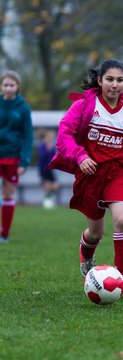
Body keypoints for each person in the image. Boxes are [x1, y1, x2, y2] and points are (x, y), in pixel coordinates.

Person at [48, 59, 123, 293]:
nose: (115, 85)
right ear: (100, 81)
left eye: (120, 80)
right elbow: (64, 135)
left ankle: (122, 275)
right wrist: (80, 156)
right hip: (90, 173)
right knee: (96, 232)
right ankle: (86, 254)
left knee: (121, 220)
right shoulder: (84, 106)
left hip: (118, 172)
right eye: (109, 79)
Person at [0, 70, 33, 244]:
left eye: (11, 85)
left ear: (17, 86)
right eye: (5, 84)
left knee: (7, 193)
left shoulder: (23, 108)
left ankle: (4, 233)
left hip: (12, 156)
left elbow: (28, 136)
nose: (8, 88)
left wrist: (24, 161)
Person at [38, 130, 59, 209]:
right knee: (47, 185)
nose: (51, 138)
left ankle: (49, 198)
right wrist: (47, 149)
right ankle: (47, 200)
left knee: (55, 186)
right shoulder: (42, 145)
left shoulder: (52, 146)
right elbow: (42, 156)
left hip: (51, 169)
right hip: (43, 168)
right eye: (50, 137)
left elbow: (54, 157)